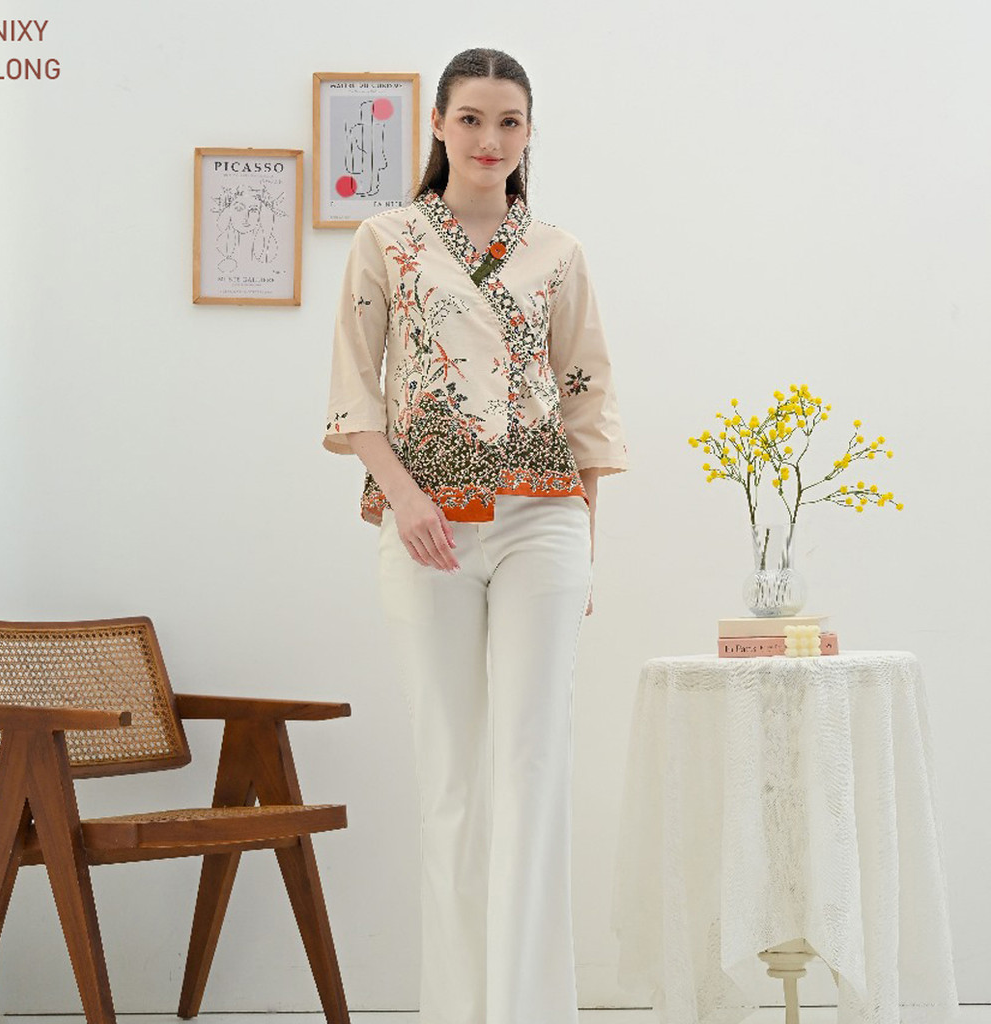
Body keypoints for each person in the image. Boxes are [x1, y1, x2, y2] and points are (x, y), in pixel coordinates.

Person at [323, 47, 628, 1024]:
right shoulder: (387, 240)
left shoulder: (559, 253)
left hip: (545, 520)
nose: (490, 139)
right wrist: (405, 498)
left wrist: (586, 542)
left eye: (509, 121)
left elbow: (585, 400)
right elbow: (353, 393)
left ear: (528, 132)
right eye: (471, 119)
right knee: (453, 779)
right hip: (428, 532)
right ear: (439, 126)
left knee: (533, 770)